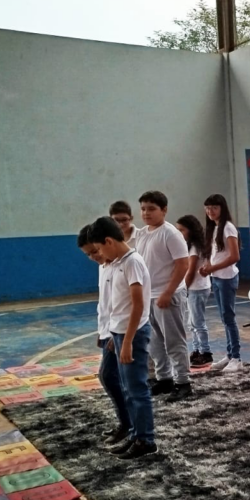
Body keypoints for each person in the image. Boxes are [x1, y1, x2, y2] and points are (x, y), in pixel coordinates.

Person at [87, 216, 157, 460]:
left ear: (108, 241)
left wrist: (127, 341)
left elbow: (138, 305)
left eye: (99, 248)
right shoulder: (116, 262)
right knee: (127, 388)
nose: (99, 254)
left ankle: (146, 439)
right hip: (119, 332)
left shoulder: (132, 262)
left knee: (137, 388)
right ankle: (136, 434)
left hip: (133, 333)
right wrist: (111, 334)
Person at [139, 191, 193, 402]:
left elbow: (183, 264)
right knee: (154, 343)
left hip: (168, 296)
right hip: (148, 297)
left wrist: (168, 292)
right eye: (143, 209)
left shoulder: (170, 233)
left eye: (151, 208)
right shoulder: (143, 234)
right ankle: (164, 379)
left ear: (164, 210)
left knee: (174, 341)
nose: (146, 213)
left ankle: (183, 382)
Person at [77, 225, 129, 446]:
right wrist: (103, 331)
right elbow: (105, 304)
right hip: (110, 330)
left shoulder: (124, 265)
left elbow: (127, 304)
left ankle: (130, 425)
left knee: (110, 376)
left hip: (122, 331)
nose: (93, 257)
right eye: (88, 254)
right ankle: (128, 424)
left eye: (95, 250)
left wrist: (117, 336)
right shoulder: (104, 267)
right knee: (112, 377)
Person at [201, 194, 242, 373]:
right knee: (224, 318)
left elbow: (234, 256)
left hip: (226, 278)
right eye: (208, 207)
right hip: (217, 277)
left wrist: (213, 268)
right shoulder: (215, 228)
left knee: (229, 318)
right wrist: (208, 266)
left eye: (214, 207)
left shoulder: (227, 228)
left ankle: (237, 358)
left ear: (222, 208)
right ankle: (229, 354)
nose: (210, 211)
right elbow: (217, 254)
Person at [176, 215, 213, 368]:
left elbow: (190, 272)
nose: (179, 234)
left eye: (182, 230)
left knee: (198, 323)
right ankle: (197, 350)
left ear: (191, 231)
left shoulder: (194, 248)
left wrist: (184, 288)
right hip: (197, 288)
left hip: (197, 288)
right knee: (192, 323)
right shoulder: (193, 245)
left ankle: (206, 353)